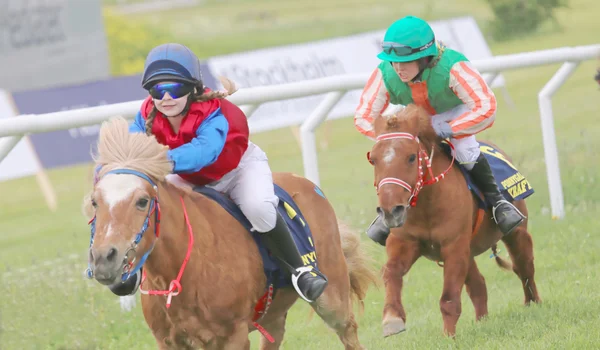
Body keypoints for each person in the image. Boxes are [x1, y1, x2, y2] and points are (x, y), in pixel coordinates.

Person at [108, 43, 328, 303]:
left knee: (259, 208)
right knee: (154, 208)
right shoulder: (146, 113)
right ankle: (133, 270)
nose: (165, 97)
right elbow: (133, 147)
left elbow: (205, 152)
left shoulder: (214, 112)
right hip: (188, 176)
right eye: (157, 89)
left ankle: (300, 270)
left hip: (238, 170)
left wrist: (156, 159)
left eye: (175, 88)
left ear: (192, 87)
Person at [354, 16, 525, 246]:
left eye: (405, 62)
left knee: (465, 150)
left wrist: (450, 129)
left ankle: (498, 204)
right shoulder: (385, 73)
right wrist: (392, 138)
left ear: (425, 58)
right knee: (394, 157)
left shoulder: (454, 67)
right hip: (414, 116)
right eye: (393, 62)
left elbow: (486, 106)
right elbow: (363, 115)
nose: (398, 69)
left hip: (454, 112)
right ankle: (387, 214)